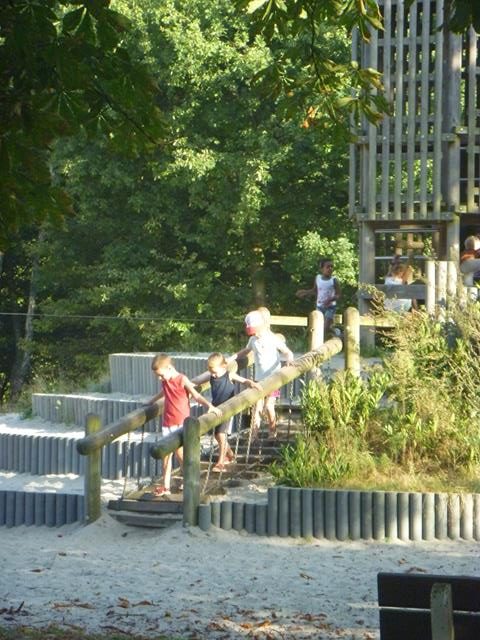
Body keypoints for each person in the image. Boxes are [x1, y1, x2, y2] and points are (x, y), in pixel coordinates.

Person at [145, 353, 221, 497]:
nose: (160, 379)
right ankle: (166, 486)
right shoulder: (165, 381)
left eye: (161, 375)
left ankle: (190, 480)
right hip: (167, 422)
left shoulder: (181, 379)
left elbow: (196, 395)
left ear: (169, 368)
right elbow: (164, 392)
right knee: (165, 456)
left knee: (181, 456)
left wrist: (210, 406)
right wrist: (152, 401)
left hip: (180, 422)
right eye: (158, 376)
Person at [232, 309, 293, 439]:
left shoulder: (272, 339)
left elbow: (287, 352)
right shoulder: (253, 340)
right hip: (258, 380)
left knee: (269, 406)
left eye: (256, 331)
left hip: (274, 380)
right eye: (252, 332)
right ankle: (254, 434)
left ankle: (272, 431)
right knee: (257, 406)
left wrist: (289, 360)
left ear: (263, 326)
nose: (255, 334)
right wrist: (233, 358)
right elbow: (245, 351)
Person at [207, 352, 262, 472]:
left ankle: (221, 462)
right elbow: (197, 381)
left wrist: (252, 384)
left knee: (221, 434)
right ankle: (231, 455)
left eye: (215, 372)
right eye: (211, 372)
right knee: (216, 435)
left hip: (228, 409)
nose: (213, 375)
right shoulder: (212, 376)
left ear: (223, 367)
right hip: (216, 409)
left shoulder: (229, 375)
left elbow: (244, 380)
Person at [295, 257, 341, 337]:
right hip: (319, 307)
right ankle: (333, 331)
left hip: (330, 307)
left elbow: (338, 295)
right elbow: (315, 290)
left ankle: (332, 333)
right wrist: (305, 292)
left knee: (324, 327)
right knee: (318, 326)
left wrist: (330, 299)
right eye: (328, 267)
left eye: (332, 267)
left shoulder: (334, 280)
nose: (330, 269)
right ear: (322, 269)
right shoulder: (318, 278)